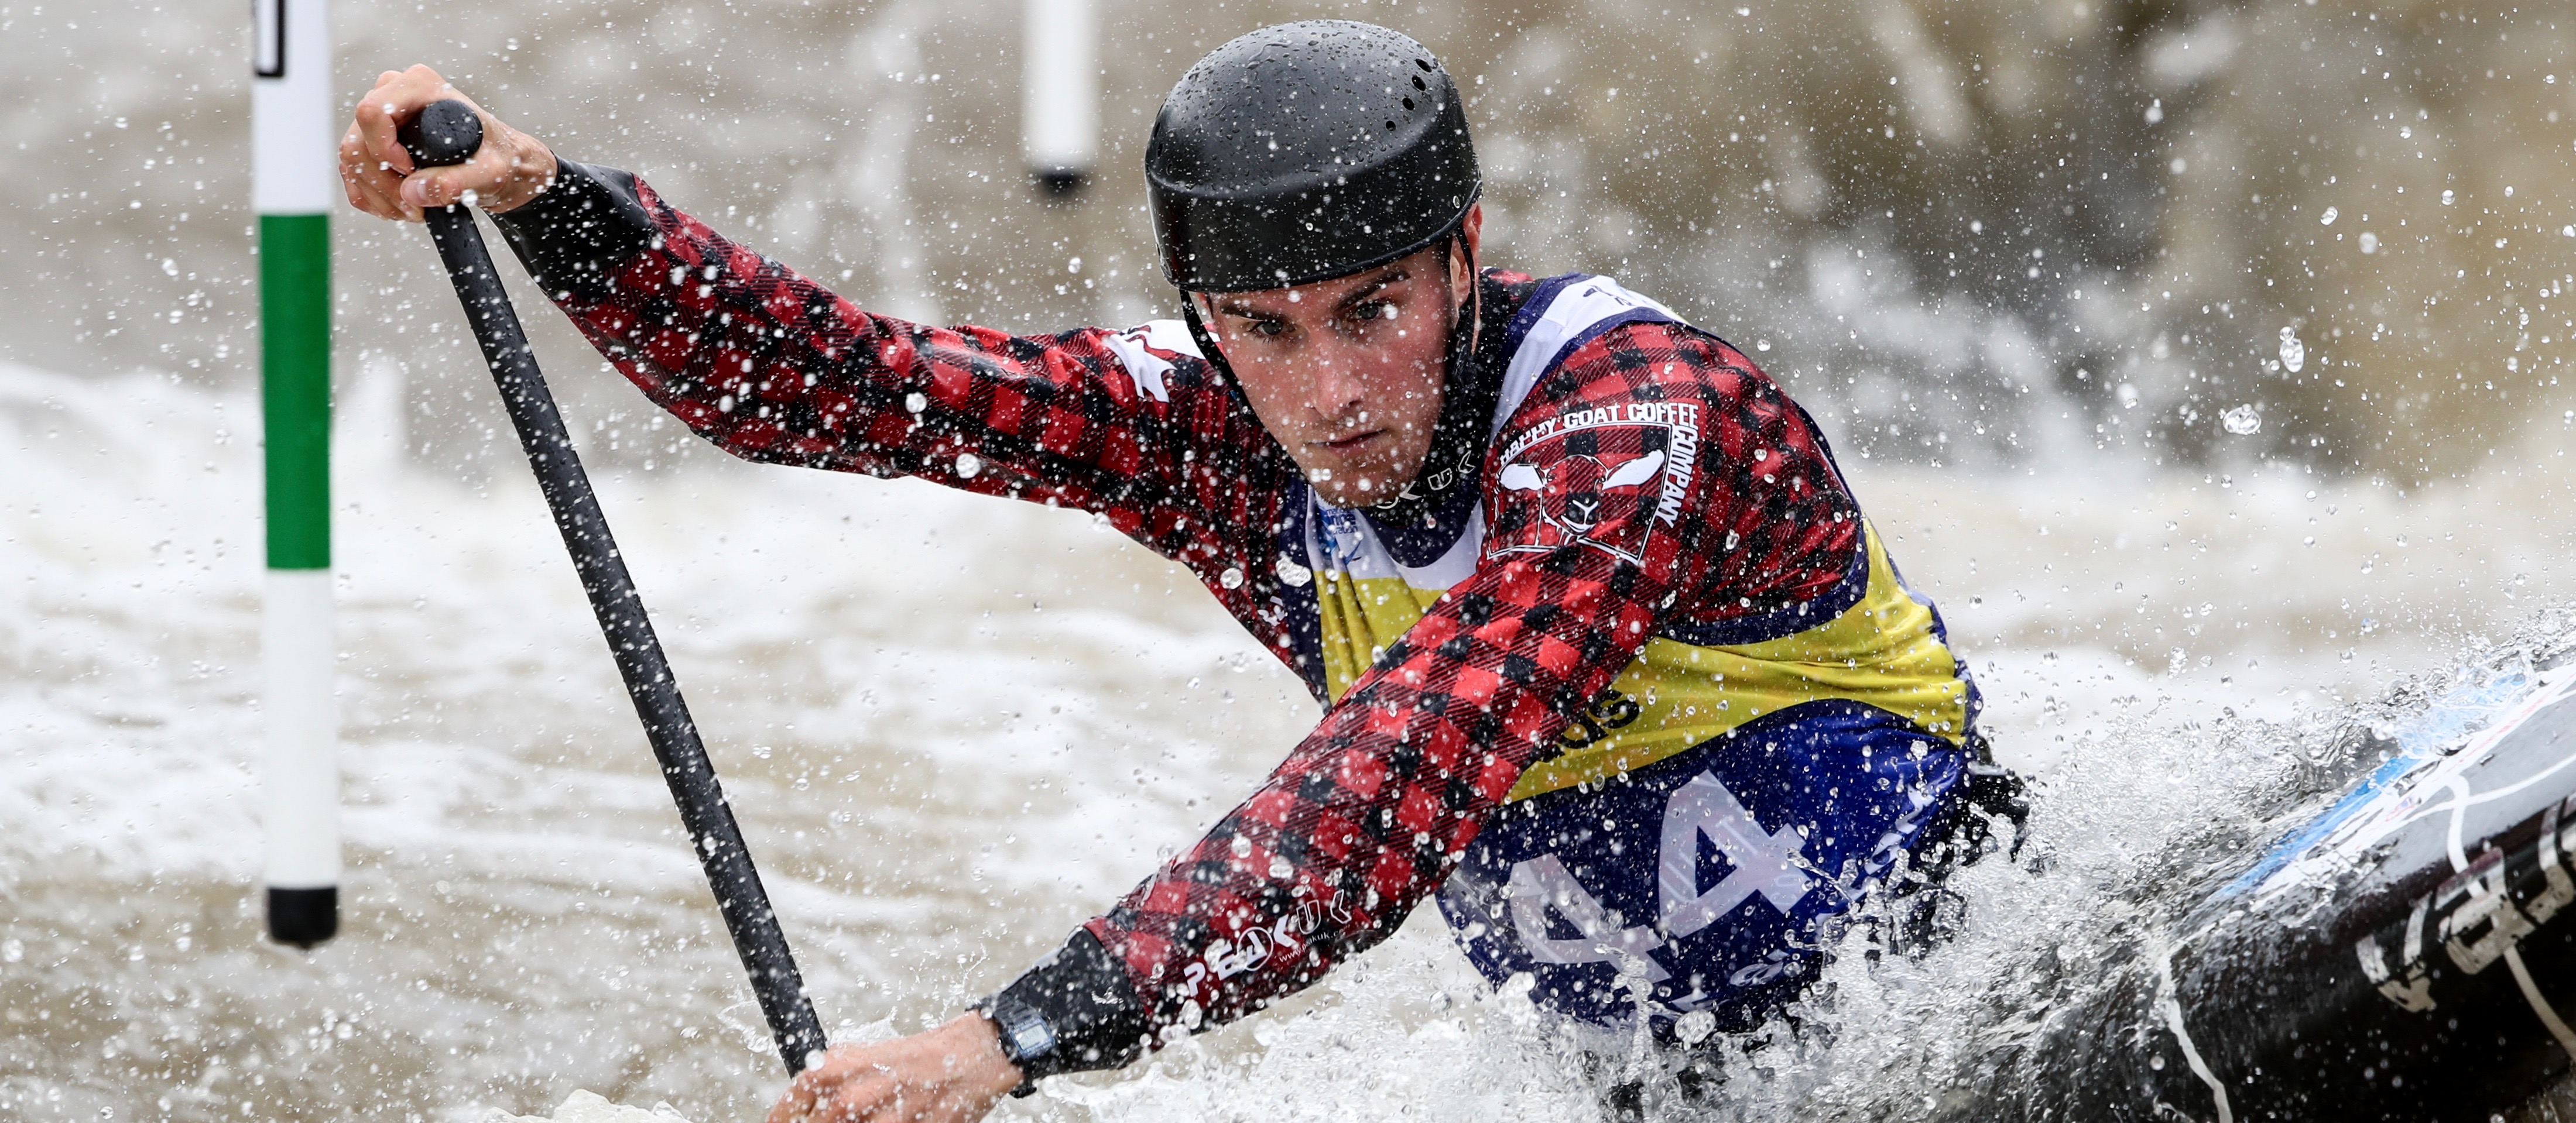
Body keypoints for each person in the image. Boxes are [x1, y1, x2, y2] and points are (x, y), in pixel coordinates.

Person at [339, 20, 2020, 1121]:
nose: (1333, 395)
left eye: (1376, 309)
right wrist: (555, 203)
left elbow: (1405, 771)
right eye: (1266, 333)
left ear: (1465, 256)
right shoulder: (1211, 431)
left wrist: (1006, 1043)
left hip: (1970, 996)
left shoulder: (1633, 427)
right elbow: (846, 387)